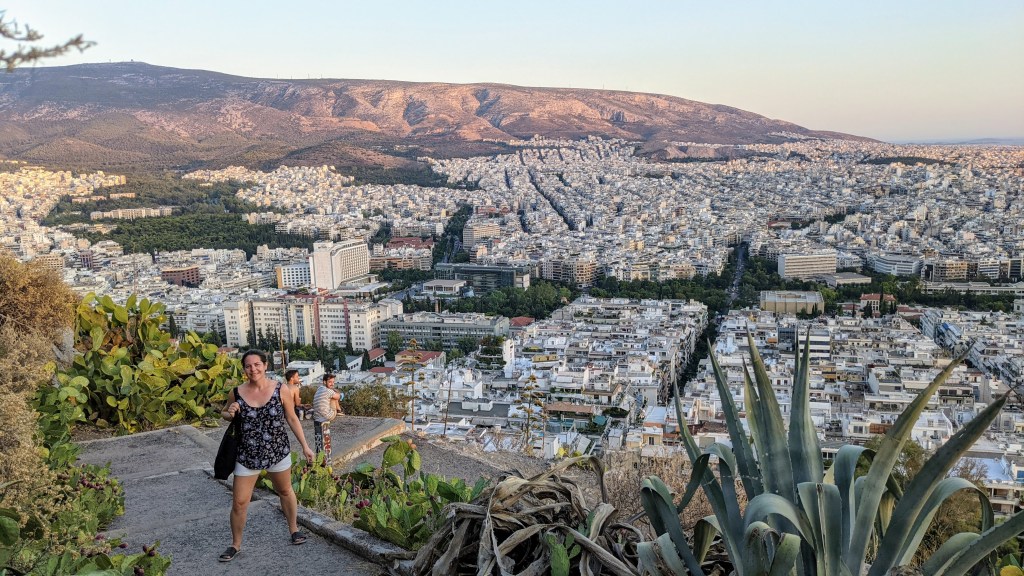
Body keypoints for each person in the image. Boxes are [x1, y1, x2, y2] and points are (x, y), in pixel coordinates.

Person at [218, 350, 315, 562]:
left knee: (285, 490)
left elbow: (291, 418)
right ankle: (235, 544)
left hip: (277, 451)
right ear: (244, 369)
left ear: (265, 365)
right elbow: (225, 413)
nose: (253, 369)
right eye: (248, 366)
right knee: (239, 502)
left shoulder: (281, 389)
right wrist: (230, 411)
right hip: (247, 454)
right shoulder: (237, 392)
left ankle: (294, 529)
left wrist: (305, 446)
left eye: (257, 364)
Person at [312, 373, 343, 460]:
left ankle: (339, 410)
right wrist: (339, 393)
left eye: (333, 382)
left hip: (317, 416)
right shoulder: (328, 391)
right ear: (324, 382)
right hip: (328, 416)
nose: (332, 384)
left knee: (333, 395)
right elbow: (339, 396)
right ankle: (339, 410)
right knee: (335, 396)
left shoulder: (319, 389)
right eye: (330, 382)